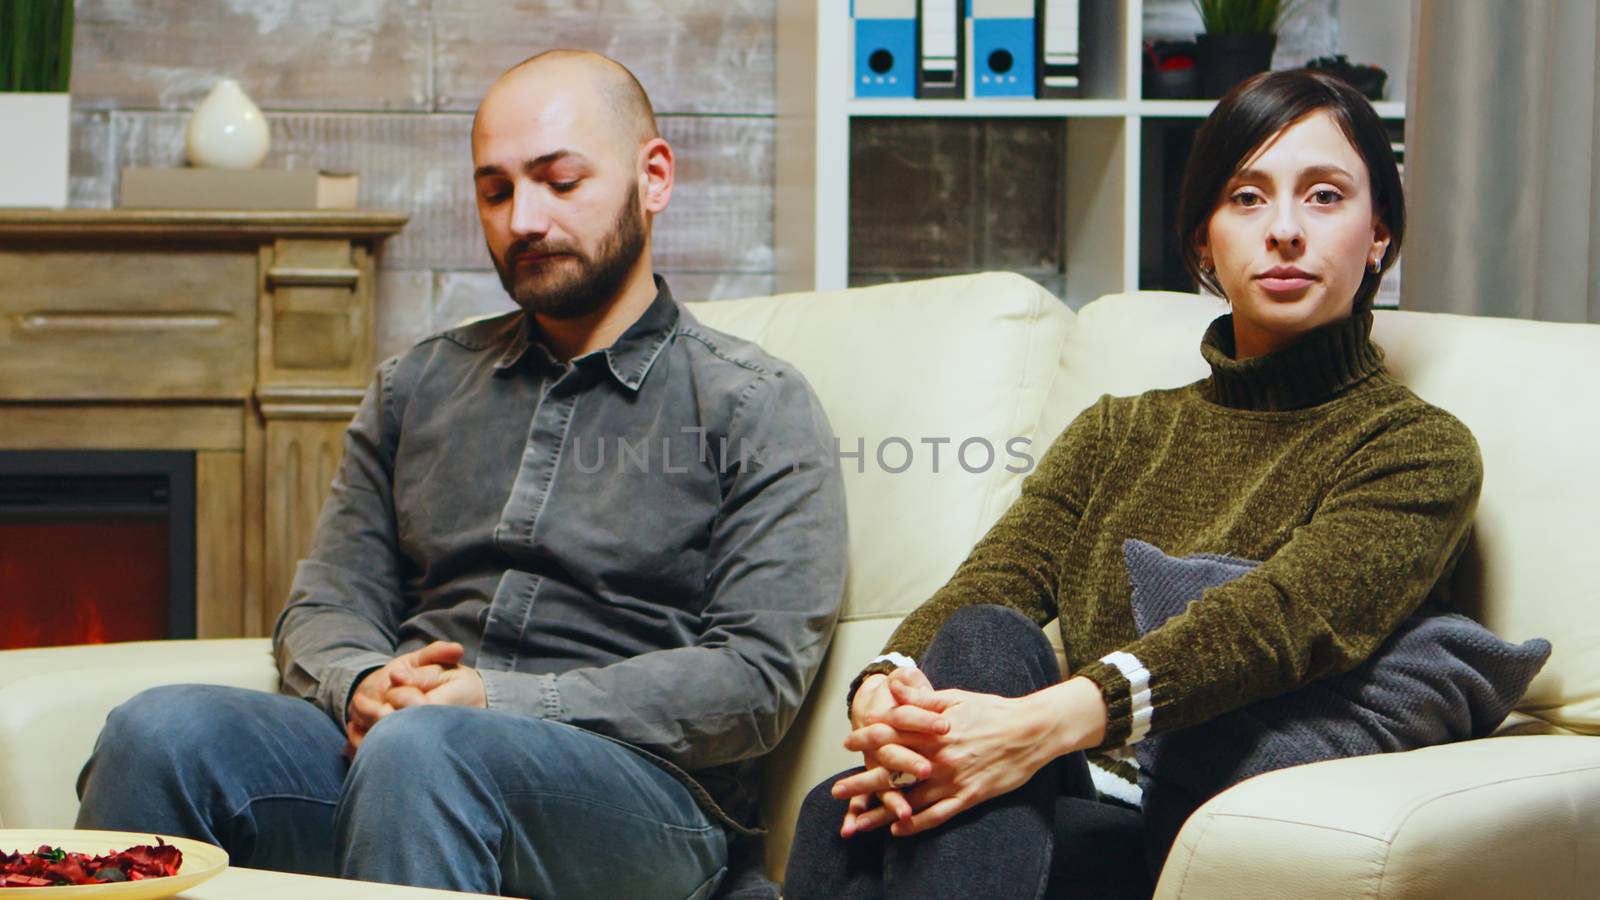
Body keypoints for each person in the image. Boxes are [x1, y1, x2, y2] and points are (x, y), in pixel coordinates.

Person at [75, 49, 846, 900]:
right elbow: (328, 606)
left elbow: (754, 678)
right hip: (402, 757)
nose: (524, 218)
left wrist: (496, 701)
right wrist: (365, 682)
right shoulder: (417, 387)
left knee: (425, 751)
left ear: (652, 176)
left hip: (645, 799)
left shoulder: (756, 404)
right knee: (159, 730)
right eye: (495, 190)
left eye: (560, 181)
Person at [783, 68, 1482, 899]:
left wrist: (1040, 727)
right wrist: (881, 694)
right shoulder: (1120, 431)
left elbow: (1282, 621)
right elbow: (995, 577)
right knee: (977, 644)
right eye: (1247, 198)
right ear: (1202, 242)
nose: (1285, 230)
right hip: (1055, 799)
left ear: (1378, 235)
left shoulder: (1416, 449)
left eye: (1325, 196)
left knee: (850, 815)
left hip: (1182, 822)